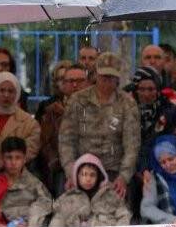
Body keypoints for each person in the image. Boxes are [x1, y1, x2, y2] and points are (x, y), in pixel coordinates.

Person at [58, 52, 140, 199]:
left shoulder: (127, 103)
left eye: (111, 77)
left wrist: (124, 177)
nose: (107, 81)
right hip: (82, 168)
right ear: (95, 75)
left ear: (118, 78)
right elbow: (66, 140)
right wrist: (71, 172)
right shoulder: (78, 100)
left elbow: (132, 145)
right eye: (103, 76)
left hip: (113, 169)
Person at [0, 136, 53, 227]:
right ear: (2, 158)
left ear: (24, 159)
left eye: (18, 158)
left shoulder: (36, 186)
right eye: (9, 157)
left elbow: (45, 209)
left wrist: (30, 224)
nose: (13, 162)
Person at [38, 64, 86, 195]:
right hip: (60, 167)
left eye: (80, 81)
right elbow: (45, 142)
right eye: (71, 81)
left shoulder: (97, 109)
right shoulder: (51, 111)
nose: (75, 85)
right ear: (63, 84)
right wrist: (58, 162)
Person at [0, 71, 40, 172]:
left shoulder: (30, 123)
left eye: (11, 91)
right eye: (1, 90)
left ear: (17, 94)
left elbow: (30, 150)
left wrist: (9, 164)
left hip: (19, 174)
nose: (6, 95)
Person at [49, 153, 131, 227]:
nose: (88, 179)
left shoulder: (111, 196)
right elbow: (57, 221)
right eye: (84, 174)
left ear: (98, 177)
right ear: (77, 176)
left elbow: (124, 216)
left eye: (92, 175)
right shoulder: (68, 199)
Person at [140, 135, 176, 224]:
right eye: (163, 162)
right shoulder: (154, 178)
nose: (168, 165)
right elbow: (146, 208)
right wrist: (172, 220)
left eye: (171, 159)